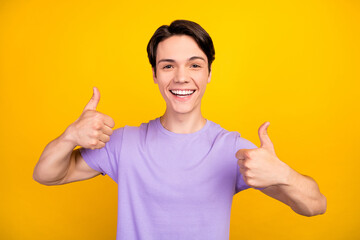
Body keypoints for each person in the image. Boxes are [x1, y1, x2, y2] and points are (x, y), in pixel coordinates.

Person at [33, 19, 327, 240]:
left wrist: (284, 174)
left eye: (195, 65)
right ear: (155, 74)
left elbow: (315, 206)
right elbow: (46, 175)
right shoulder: (124, 143)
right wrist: (70, 135)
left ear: (209, 73)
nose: (182, 77)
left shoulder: (232, 150)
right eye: (168, 66)